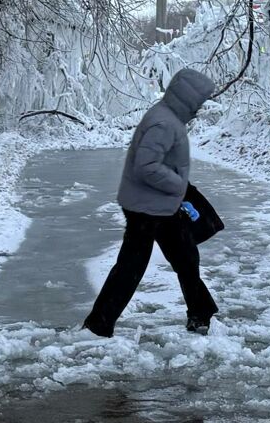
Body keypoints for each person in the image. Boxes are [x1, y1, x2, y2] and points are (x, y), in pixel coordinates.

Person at [83, 68, 218, 337]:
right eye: (199, 103)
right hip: (148, 206)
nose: (200, 109)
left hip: (157, 202)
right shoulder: (164, 123)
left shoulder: (168, 117)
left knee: (185, 257)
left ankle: (201, 311)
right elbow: (146, 165)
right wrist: (179, 186)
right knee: (133, 265)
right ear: (187, 99)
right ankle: (98, 324)